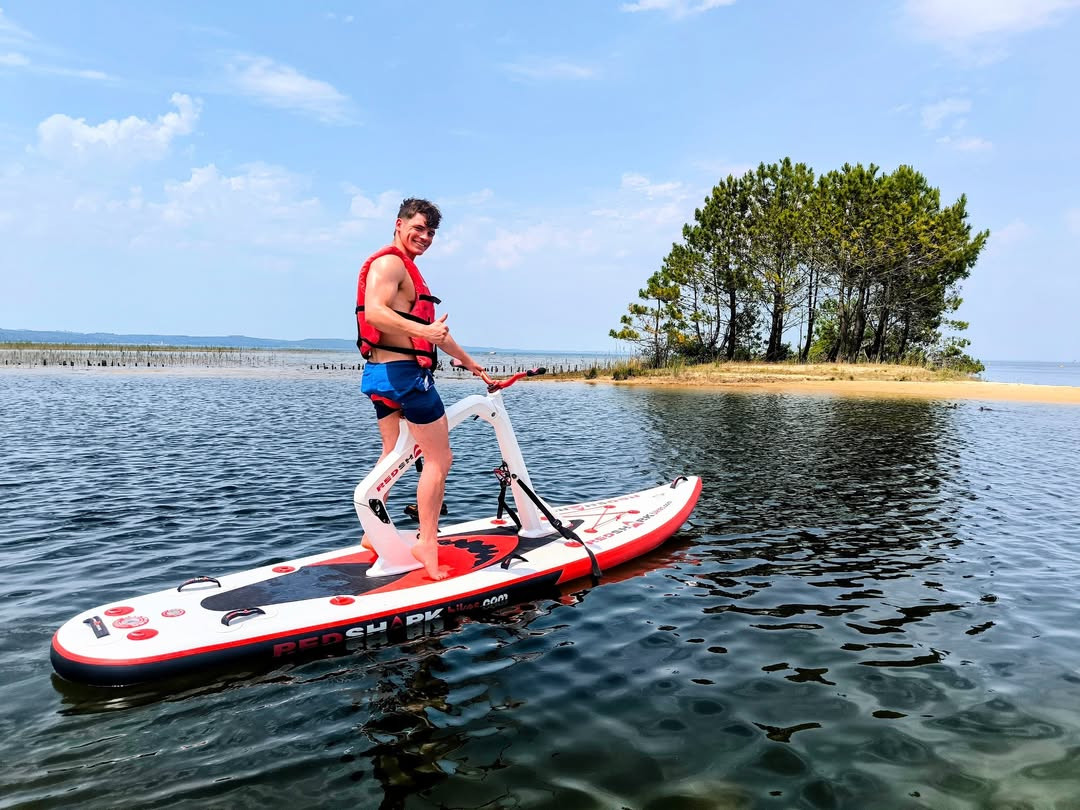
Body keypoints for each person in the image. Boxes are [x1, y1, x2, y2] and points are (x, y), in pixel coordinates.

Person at [355, 198, 491, 580]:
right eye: (418, 228)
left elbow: (438, 335)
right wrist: (424, 331)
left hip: (380, 377)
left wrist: (470, 363)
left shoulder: (408, 272)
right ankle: (427, 542)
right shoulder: (390, 264)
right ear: (398, 225)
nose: (425, 237)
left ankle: (372, 533)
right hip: (405, 377)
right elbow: (375, 311)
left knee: (392, 454)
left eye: (431, 232)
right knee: (439, 459)